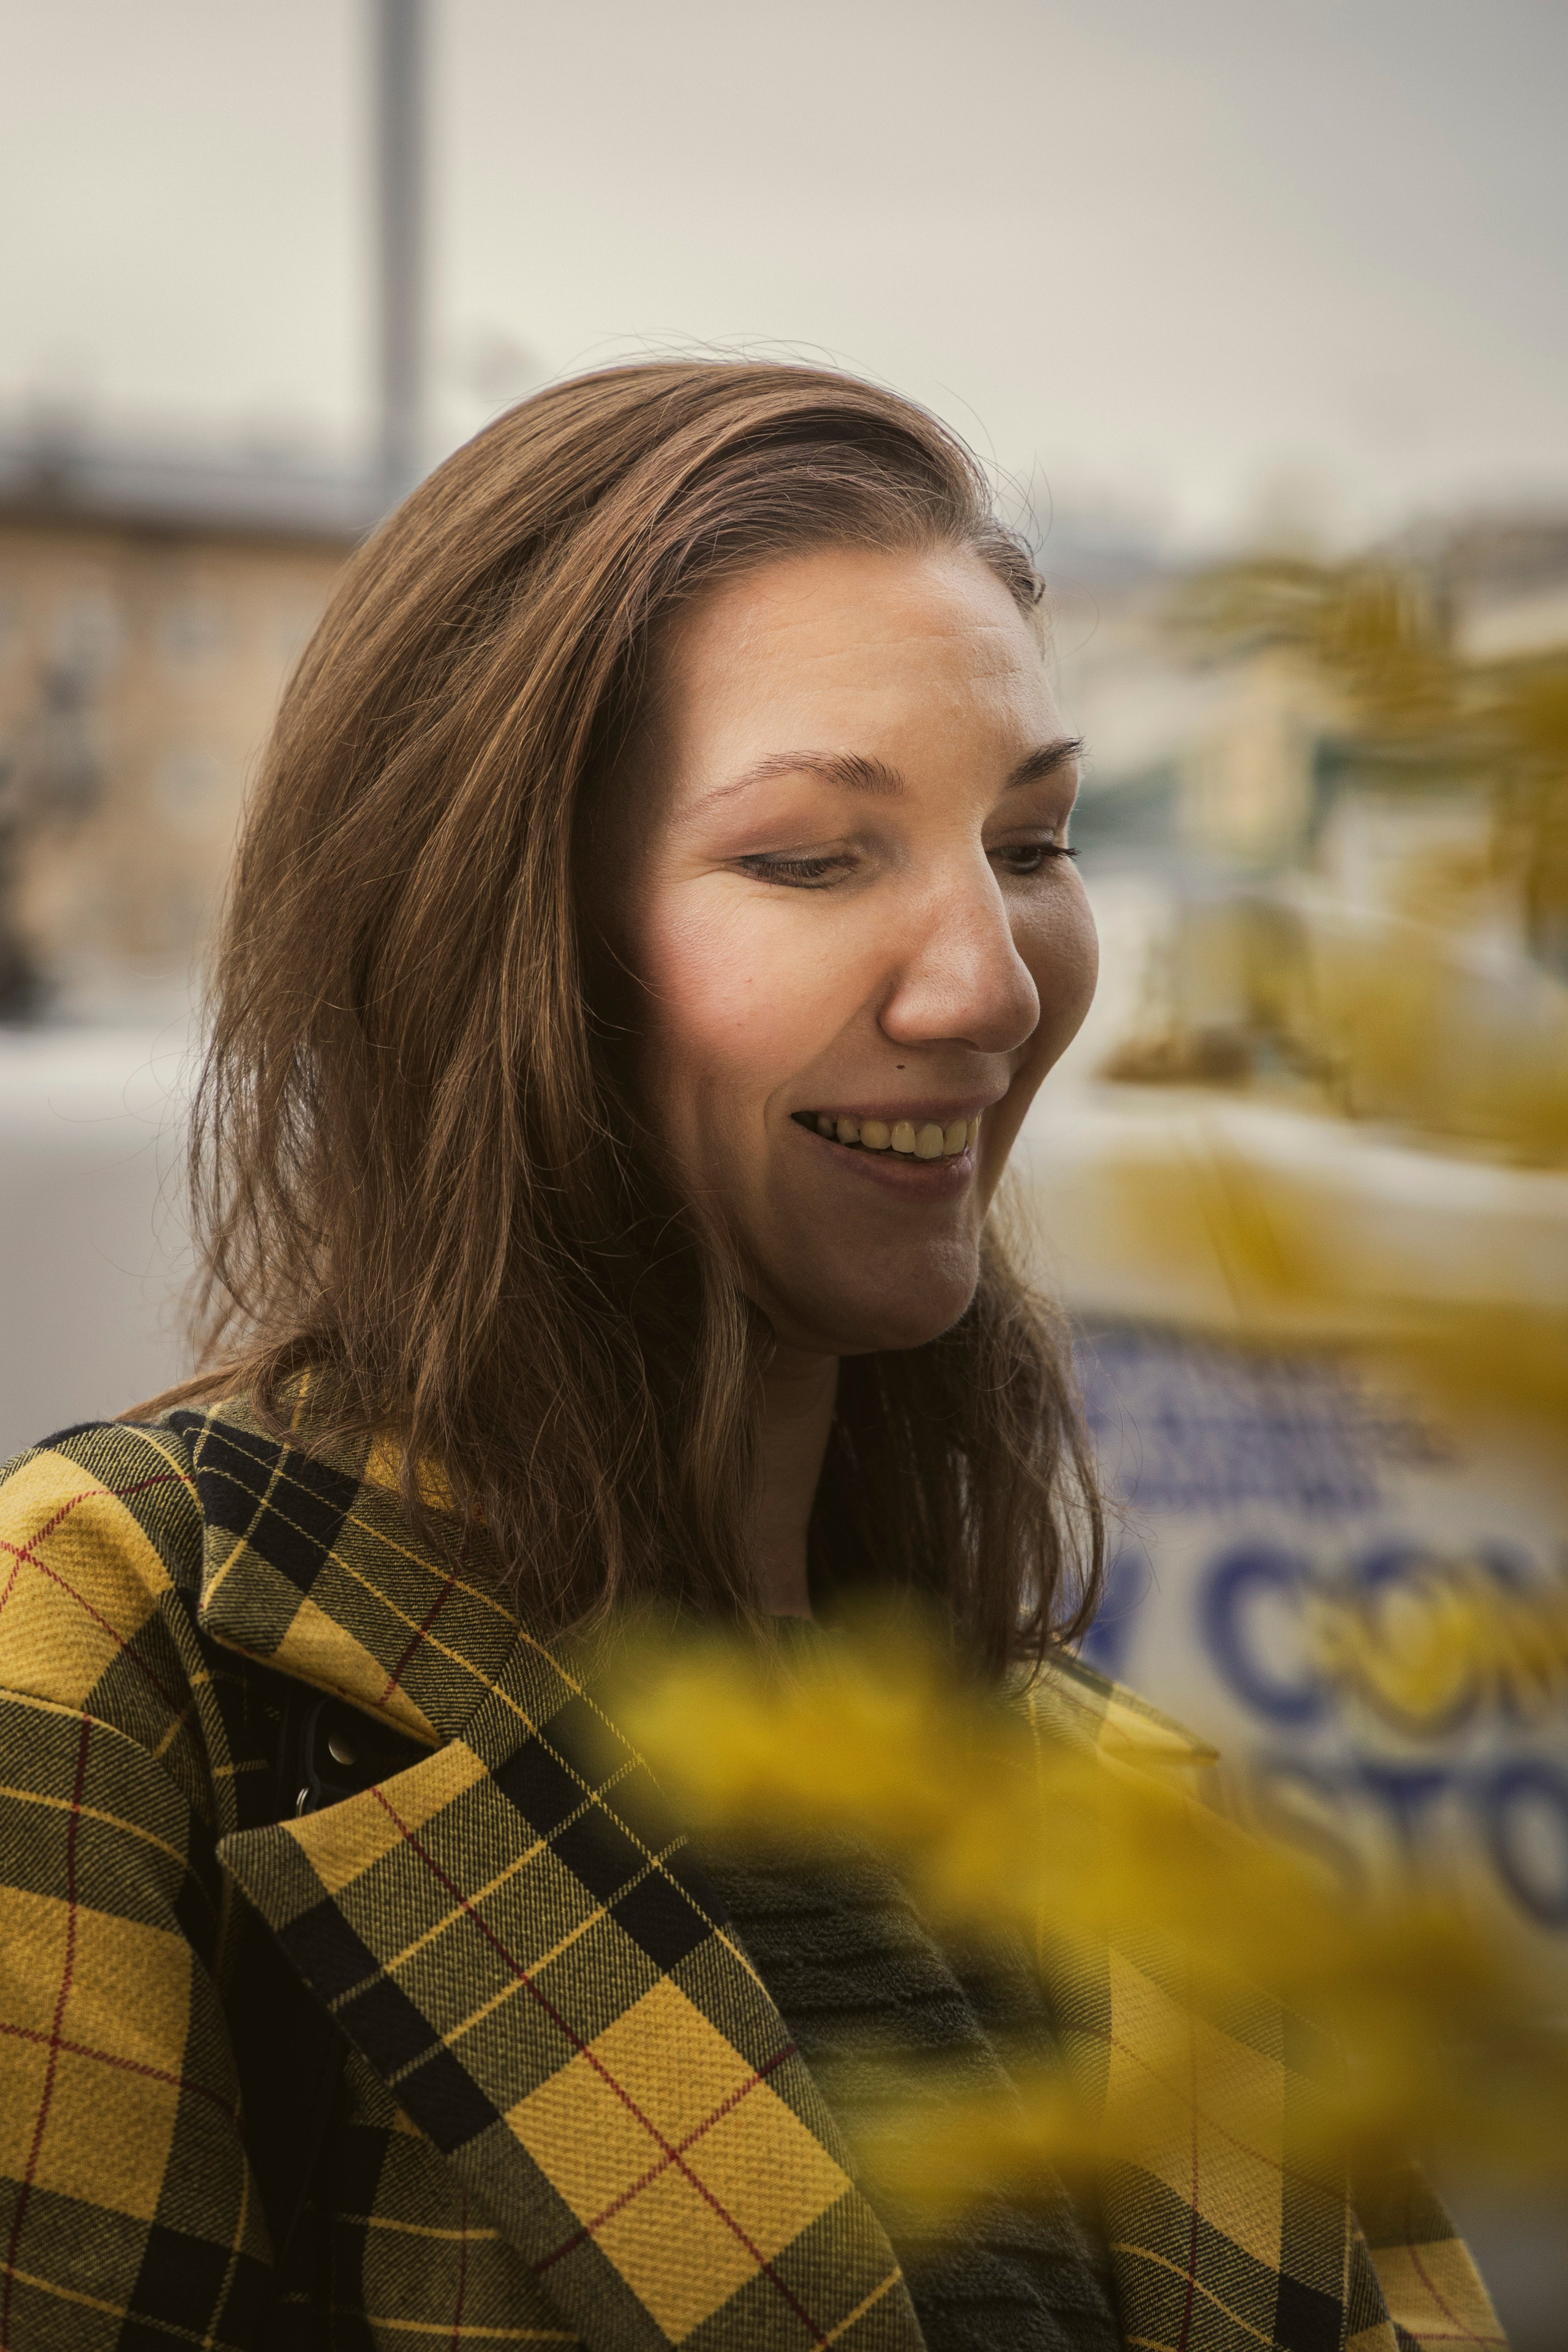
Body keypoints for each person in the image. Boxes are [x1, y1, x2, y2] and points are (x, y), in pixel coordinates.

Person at [0, 363, 1500, 2351]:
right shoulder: (129, 1648)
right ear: (495, 937)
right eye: (811, 857)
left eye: (1033, 843)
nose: (991, 985)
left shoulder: (1151, 1828)